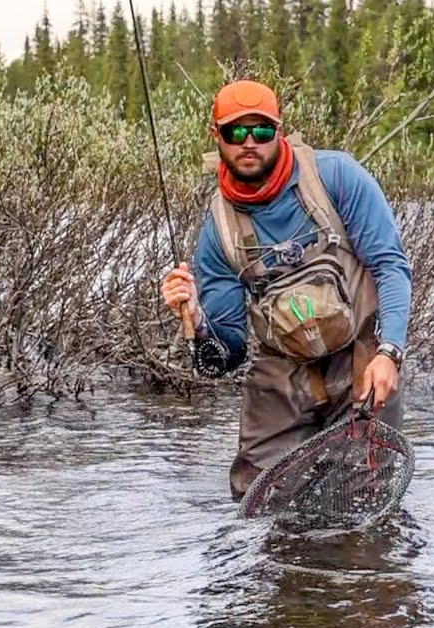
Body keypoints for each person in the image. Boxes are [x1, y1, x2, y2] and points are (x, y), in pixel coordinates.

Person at [160, 79, 411, 501]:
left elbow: (391, 266)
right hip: (282, 372)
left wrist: (390, 354)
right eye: (235, 132)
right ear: (216, 136)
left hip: (360, 358)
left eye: (261, 131)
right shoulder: (218, 231)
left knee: (362, 498)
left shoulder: (337, 176)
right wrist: (198, 322)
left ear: (280, 130)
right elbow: (227, 355)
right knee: (257, 500)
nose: (249, 142)